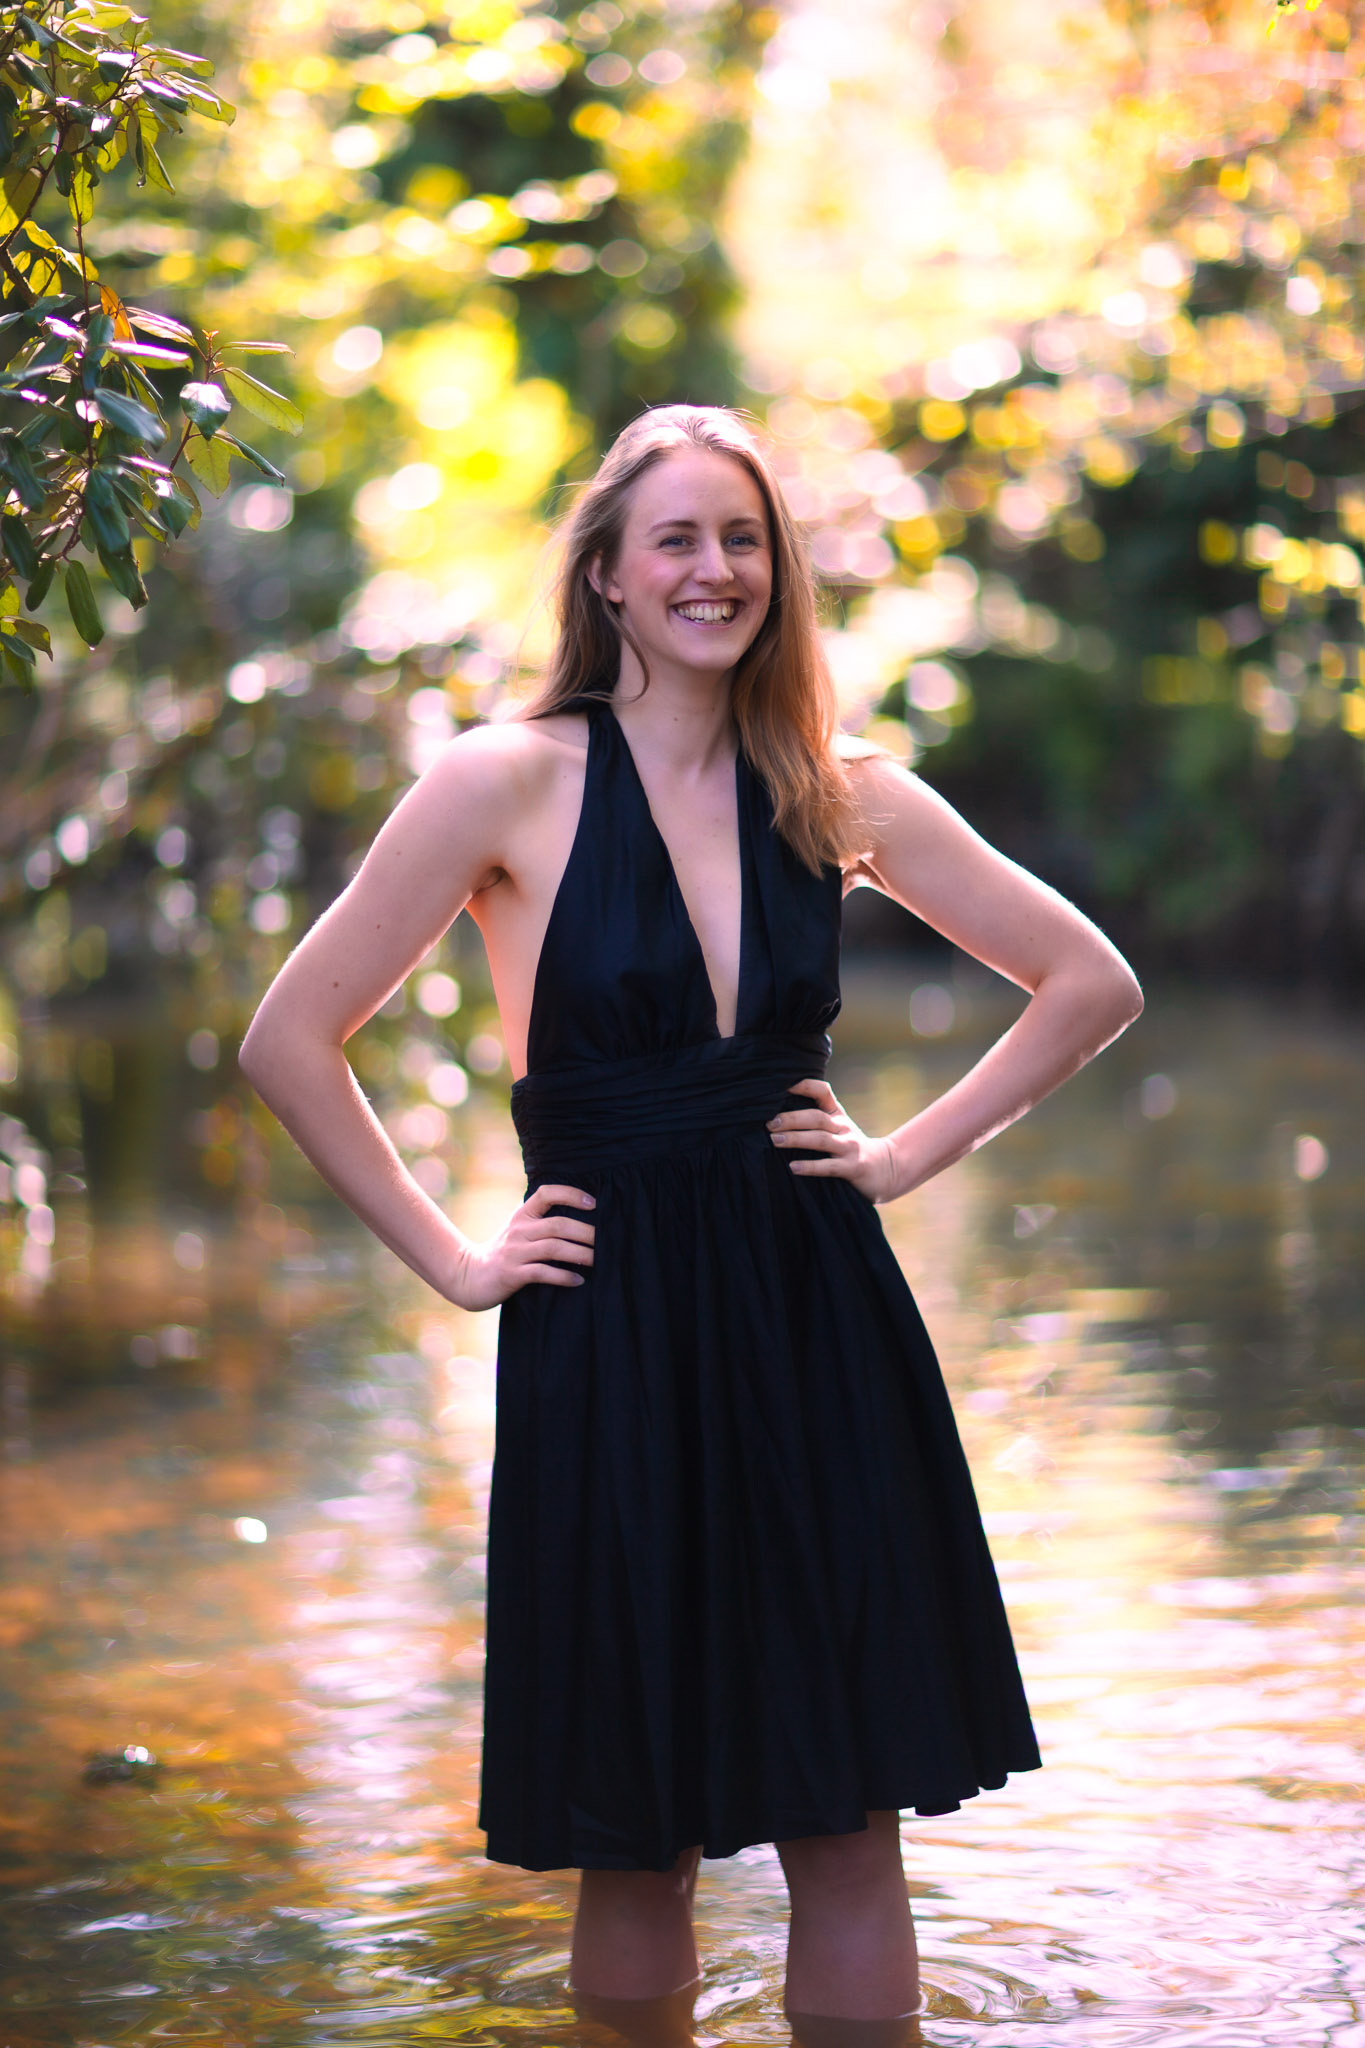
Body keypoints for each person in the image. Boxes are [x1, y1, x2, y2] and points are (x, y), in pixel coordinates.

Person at [239, 403, 1143, 2035]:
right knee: (632, 1836)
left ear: (777, 572)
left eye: (742, 539)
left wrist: (902, 1157)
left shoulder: (839, 791)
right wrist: (457, 1262)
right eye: (676, 538)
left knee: (845, 1822)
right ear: (605, 572)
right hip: (606, 1322)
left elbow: (1089, 982)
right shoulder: (501, 782)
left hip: (817, 1316)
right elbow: (289, 1040)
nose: (713, 569)